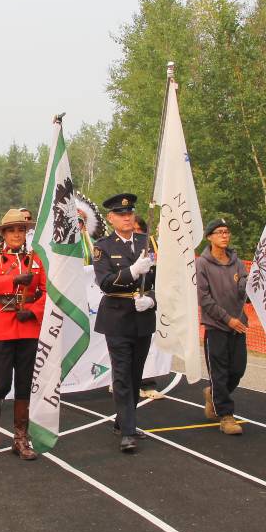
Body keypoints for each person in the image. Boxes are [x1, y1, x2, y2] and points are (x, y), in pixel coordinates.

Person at [93, 193, 157, 453]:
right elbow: (105, 282)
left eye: (130, 213)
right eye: (121, 214)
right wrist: (132, 271)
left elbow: (161, 279)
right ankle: (128, 431)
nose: (127, 217)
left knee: (135, 374)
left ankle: (122, 422)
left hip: (142, 316)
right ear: (111, 218)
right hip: (117, 316)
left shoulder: (147, 242)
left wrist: (152, 299)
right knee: (121, 374)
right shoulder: (104, 246)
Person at [0, 209, 46, 460]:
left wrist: (32, 311)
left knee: (24, 385)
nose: (17, 234)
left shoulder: (37, 258)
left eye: (21, 229)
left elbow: (47, 290)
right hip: (0, 327)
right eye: (12, 230)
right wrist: (14, 278)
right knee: (2, 384)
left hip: (28, 327)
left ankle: (20, 438)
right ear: (3, 234)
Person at [196, 218, 248, 435]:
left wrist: (253, 285)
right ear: (209, 237)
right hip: (216, 326)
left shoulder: (237, 262)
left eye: (226, 232)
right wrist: (227, 319)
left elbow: (245, 289)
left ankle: (214, 394)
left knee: (237, 370)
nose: (224, 236)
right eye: (219, 232)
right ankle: (226, 416)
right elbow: (204, 298)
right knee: (219, 373)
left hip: (238, 326)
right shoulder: (202, 264)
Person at [133, 215, 164, 400]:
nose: (135, 233)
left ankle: (147, 383)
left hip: (150, 301)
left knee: (149, 345)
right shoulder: (119, 245)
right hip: (127, 302)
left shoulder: (151, 245)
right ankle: (122, 381)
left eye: (138, 230)